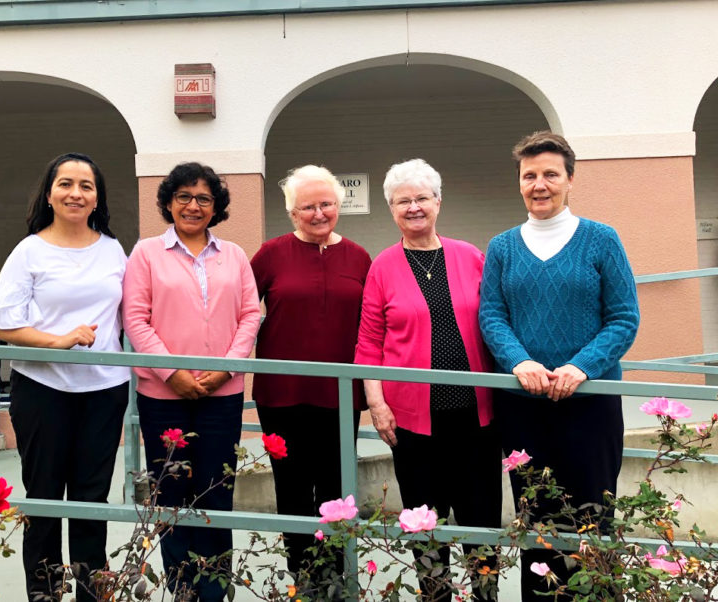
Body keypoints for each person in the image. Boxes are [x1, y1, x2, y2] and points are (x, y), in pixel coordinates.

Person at [479, 131, 640, 601]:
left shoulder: (601, 239)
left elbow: (624, 318)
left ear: (570, 179)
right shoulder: (502, 247)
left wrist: (581, 367)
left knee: (593, 518)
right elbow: (492, 315)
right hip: (523, 407)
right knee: (536, 522)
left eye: (550, 174)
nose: (539, 184)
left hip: (589, 403)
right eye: (529, 175)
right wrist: (519, 360)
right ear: (519, 183)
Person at [0, 152, 130, 602]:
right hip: (43, 389)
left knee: (91, 500)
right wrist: (57, 341)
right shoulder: (30, 251)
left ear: (97, 198)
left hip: (104, 389)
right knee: (43, 497)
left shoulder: (112, 249)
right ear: (49, 193)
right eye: (65, 184)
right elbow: (3, 323)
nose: (75, 193)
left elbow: (132, 311)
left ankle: (90, 592)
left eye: (86, 185)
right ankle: (43, 592)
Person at [355, 159, 502, 601]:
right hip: (413, 423)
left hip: (476, 417)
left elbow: (496, 322)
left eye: (422, 198)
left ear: (438, 202)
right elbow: (369, 343)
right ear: (391, 209)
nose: (414, 207)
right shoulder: (382, 266)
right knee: (425, 525)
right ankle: (434, 595)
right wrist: (377, 404)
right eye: (403, 201)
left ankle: (486, 595)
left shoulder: (470, 256)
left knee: (481, 521)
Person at [122, 162, 261, 601]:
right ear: (168, 202)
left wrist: (227, 368)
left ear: (216, 207)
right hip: (163, 396)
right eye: (184, 196)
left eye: (204, 198)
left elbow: (250, 315)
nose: (193, 206)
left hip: (223, 395)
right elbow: (135, 319)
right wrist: (172, 373)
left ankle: (215, 590)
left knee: (217, 490)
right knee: (172, 492)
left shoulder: (234, 255)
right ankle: (182, 589)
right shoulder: (146, 253)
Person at [250, 165, 371, 588]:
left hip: (341, 393)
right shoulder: (270, 254)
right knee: (292, 487)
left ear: (338, 206)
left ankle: (336, 577)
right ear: (292, 212)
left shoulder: (358, 257)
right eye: (308, 207)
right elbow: (243, 310)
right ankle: (302, 579)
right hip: (282, 393)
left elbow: (372, 324)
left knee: (337, 486)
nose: (318, 213)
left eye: (326, 204)